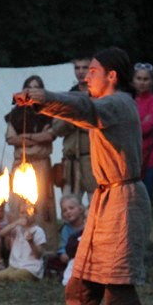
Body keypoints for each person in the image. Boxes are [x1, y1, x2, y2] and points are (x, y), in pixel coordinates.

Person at [14, 47, 153, 305]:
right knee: (80, 284)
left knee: (118, 288)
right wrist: (40, 103)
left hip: (123, 203)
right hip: (105, 201)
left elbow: (86, 108)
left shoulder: (118, 103)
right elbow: (80, 112)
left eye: (92, 71)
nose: (86, 76)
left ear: (112, 76)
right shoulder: (104, 106)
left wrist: (43, 96)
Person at [5, 76, 57, 246]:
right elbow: (11, 138)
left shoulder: (48, 113)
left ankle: (42, 247)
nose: (31, 91)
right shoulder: (15, 115)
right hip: (20, 164)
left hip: (40, 164)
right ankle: (15, 247)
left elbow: (48, 136)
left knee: (41, 206)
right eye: (29, 87)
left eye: (36, 87)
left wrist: (26, 138)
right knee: (17, 205)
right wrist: (36, 139)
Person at [52, 55, 97, 200]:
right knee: (69, 204)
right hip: (71, 160)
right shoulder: (68, 96)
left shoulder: (99, 95)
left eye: (85, 68)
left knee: (95, 206)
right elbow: (57, 128)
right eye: (77, 68)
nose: (81, 71)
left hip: (92, 158)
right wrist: (74, 118)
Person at [0, 202, 47, 281]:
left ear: (35, 215)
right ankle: (13, 274)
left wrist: (31, 242)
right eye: (22, 213)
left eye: (28, 212)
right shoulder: (17, 228)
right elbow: (2, 233)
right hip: (15, 266)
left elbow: (38, 255)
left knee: (12, 276)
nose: (25, 215)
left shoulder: (38, 231)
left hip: (30, 268)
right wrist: (16, 223)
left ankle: (28, 277)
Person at [132, 62, 153, 193]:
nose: (142, 82)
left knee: (145, 195)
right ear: (133, 81)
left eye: (145, 79)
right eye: (139, 79)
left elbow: (148, 127)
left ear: (152, 81)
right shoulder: (130, 101)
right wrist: (141, 122)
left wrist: (134, 124)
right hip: (132, 156)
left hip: (149, 157)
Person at [45, 194, 86, 277]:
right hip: (72, 257)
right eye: (64, 210)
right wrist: (63, 253)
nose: (68, 212)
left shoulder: (87, 224)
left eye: (71, 208)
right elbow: (64, 245)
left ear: (80, 208)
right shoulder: (66, 229)